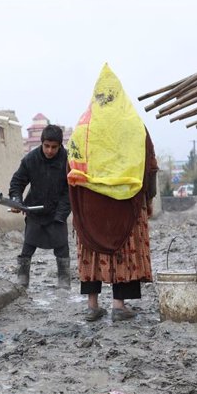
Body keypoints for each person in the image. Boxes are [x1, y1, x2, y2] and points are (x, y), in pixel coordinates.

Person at [68, 130, 158, 322]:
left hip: (91, 203)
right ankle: (119, 305)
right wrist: (149, 199)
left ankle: (92, 306)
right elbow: (150, 164)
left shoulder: (85, 127)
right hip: (125, 200)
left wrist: (77, 205)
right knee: (124, 247)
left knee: (91, 250)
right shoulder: (133, 125)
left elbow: (71, 165)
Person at [9, 125, 71, 289]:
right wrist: (16, 200)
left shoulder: (67, 161)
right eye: (46, 146)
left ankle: (64, 284)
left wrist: (61, 214)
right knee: (28, 247)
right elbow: (17, 182)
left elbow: (70, 191)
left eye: (54, 147)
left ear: (60, 145)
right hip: (34, 210)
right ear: (42, 143)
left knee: (62, 248)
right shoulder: (31, 159)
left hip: (57, 212)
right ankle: (22, 282)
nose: (50, 151)